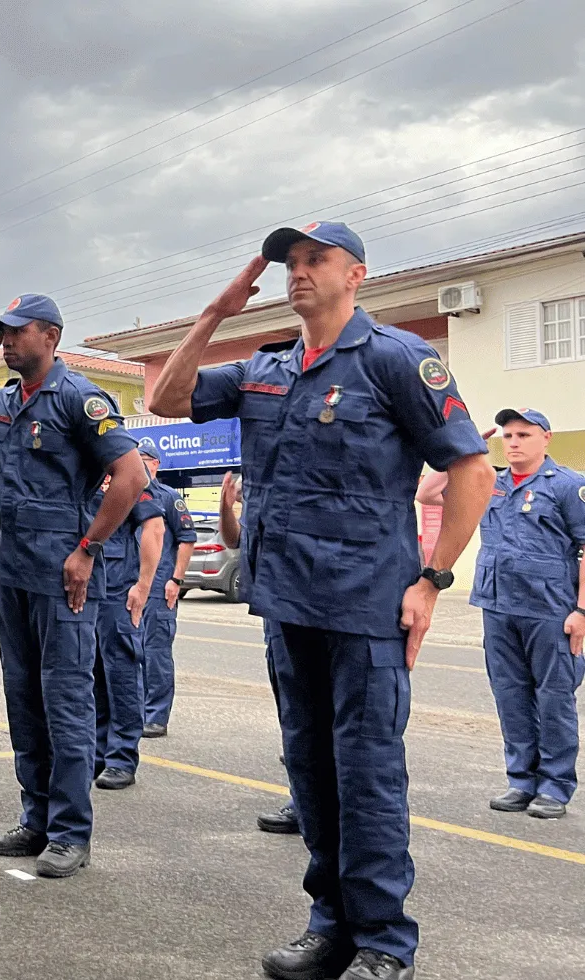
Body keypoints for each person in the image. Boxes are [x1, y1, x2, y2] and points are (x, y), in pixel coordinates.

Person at [148, 222, 494, 980]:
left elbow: (471, 468)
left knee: (366, 775)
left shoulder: (398, 359)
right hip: (287, 600)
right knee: (310, 771)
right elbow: (166, 397)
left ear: (356, 274)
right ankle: (328, 925)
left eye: (315, 261)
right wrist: (215, 314)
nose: (298, 274)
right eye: (290, 264)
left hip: (367, 604)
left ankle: (383, 943)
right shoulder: (264, 369)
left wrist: (431, 579)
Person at [0, 292, 147, 878]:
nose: (6, 342)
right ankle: (37, 818)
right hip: (13, 574)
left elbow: (131, 475)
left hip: (64, 579)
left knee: (67, 705)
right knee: (25, 705)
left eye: (17, 332)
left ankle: (71, 833)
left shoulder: (80, 398)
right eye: (1, 332)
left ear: (51, 336)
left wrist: (88, 550)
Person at [467, 408, 585, 820]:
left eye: (524, 434)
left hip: (550, 609)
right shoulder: (490, 480)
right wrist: (466, 452)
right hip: (498, 605)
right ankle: (522, 781)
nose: (513, 441)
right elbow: (428, 494)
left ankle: (555, 786)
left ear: (546, 439)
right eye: (508, 435)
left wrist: (582, 610)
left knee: (553, 699)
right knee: (510, 697)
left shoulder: (569, 486)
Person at [221, 470, 300, 835]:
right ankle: (303, 803)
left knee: (311, 717)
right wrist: (226, 506)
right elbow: (235, 540)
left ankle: (318, 807)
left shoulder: (287, 496)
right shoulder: (255, 500)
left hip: (299, 614)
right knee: (293, 718)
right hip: (273, 618)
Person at [91, 471, 164, 790]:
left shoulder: (127, 469)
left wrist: (143, 586)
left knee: (120, 674)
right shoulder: (79, 465)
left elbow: (154, 527)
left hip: (118, 590)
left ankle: (121, 757)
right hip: (85, 588)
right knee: (91, 676)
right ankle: (96, 753)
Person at [139, 446, 198, 738]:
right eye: (135, 461)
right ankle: (135, 712)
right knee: (129, 652)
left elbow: (187, 539)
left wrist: (176, 579)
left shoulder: (169, 498)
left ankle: (156, 716)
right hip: (130, 587)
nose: (140, 466)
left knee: (156, 653)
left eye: (145, 462)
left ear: (156, 465)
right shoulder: (127, 495)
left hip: (160, 588)